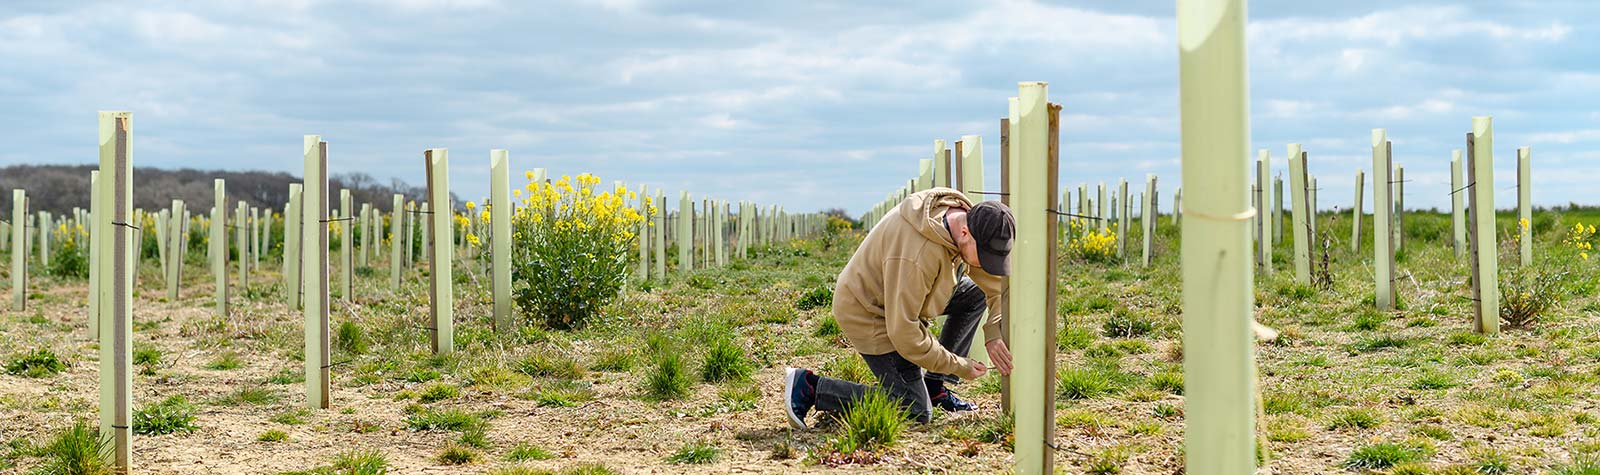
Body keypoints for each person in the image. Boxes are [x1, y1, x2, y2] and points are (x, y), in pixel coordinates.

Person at [784, 187, 1014, 428]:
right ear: (965, 232)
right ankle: (810, 386)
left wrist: (993, 332)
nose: (987, 264)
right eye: (985, 256)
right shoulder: (917, 255)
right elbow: (905, 333)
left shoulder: (962, 220)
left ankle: (934, 388)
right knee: (914, 409)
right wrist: (958, 365)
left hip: (904, 299)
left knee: (973, 294)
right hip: (868, 312)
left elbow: (995, 286)